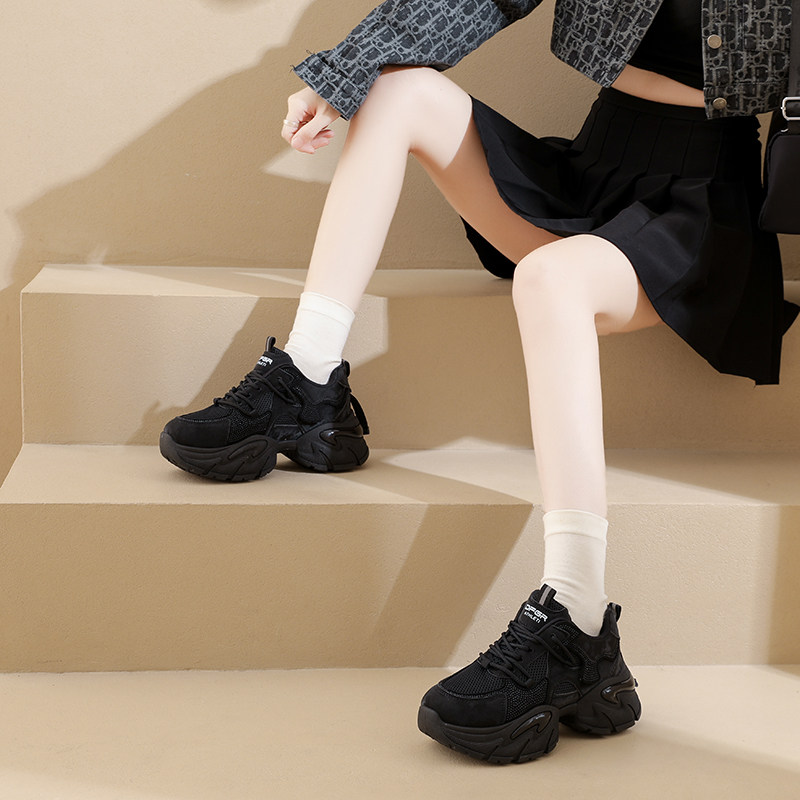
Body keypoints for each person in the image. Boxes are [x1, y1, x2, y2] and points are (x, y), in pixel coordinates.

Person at [159, 0, 798, 764]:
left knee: (549, 281)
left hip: (699, 206)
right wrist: (340, 77)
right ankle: (307, 377)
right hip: (589, 168)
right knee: (396, 89)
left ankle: (577, 619)